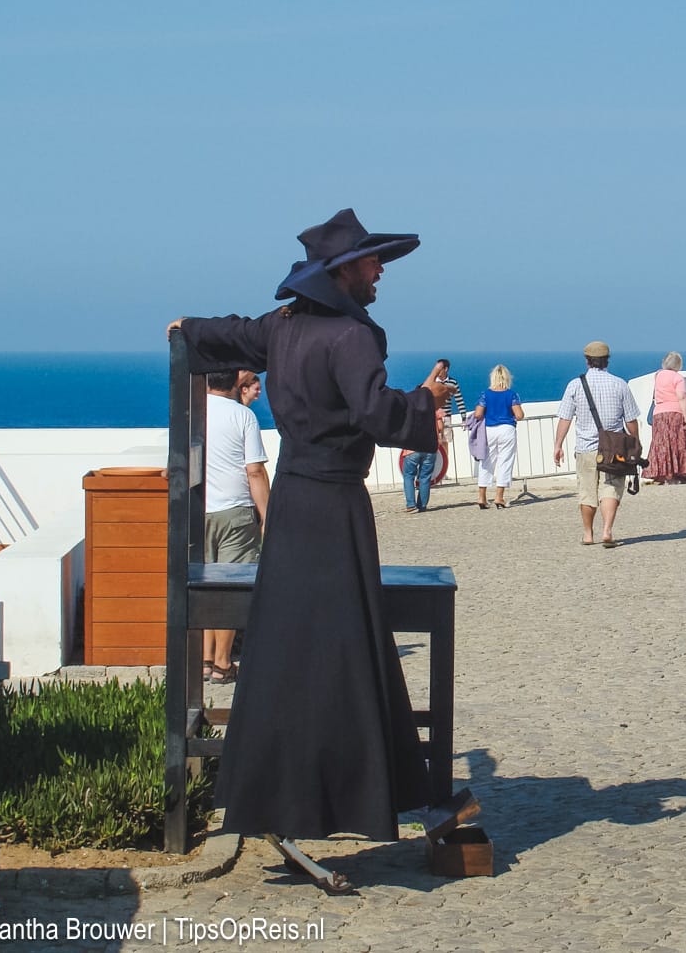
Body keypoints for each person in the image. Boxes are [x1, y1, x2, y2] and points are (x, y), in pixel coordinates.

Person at [167, 208, 475, 893]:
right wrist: (424, 405)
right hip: (334, 506)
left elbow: (229, 334)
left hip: (295, 505)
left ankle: (277, 800)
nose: (379, 271)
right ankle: (348, 796)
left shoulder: (282, 329)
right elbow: (374, 412)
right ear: (341, 273)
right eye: (370, 263)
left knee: (288, 659)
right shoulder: (354, 335)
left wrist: (185, 330)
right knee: (343, 653)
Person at [202, 369, 269, 685]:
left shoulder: (193, 410)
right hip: (235, 511)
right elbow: (254, 471)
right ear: (234, 382)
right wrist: (267, 515)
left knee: (202, 584)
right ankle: (222, 663)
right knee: (229, 587)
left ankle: (203, 659)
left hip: (197, 509)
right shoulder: (243, 417)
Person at [553, 341, 640, 548]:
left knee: (587, 490)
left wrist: (558, 445)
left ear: (587, 360)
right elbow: (631, 420)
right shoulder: (620, 384)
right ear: (607, 360)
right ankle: (607, 530)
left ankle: (587, 534)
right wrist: (635, 442)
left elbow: (565, 418)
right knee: (610, 488)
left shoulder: (575, 385)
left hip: (585, 447)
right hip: (614, 448)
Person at [645, 351, 686, 484]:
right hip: (674, 412)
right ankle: (679, 473)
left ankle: (664, 474)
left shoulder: (657, 375)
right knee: (677, 443)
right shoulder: (678, 378)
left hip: (659, 413)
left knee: (661, 443)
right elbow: (681, 397)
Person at [474, 364, 523, 509]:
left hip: (489, 429)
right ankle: (499, 497)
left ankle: (482, 497)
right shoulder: (511, 394)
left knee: (486, 462)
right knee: (505, 462)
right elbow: (519, 415)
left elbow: (478, 413)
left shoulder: (485, 394)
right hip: (506, 429)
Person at [401, 405, 443, 513]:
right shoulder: (435, 408)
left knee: (409, 476)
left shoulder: (408, 408)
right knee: (425, 477)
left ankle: (411, 505)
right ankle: (422, 505)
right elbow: (440, 427)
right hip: (430, 447)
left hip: (412, 447)